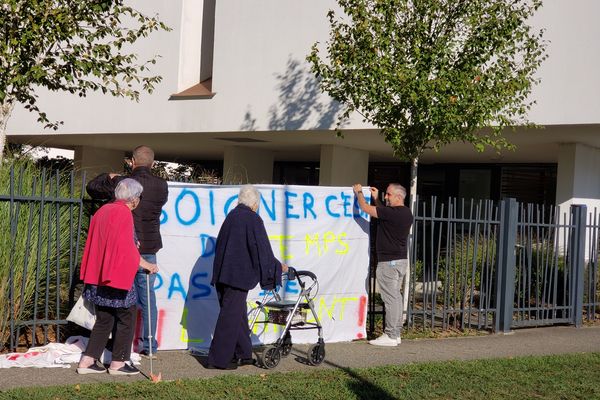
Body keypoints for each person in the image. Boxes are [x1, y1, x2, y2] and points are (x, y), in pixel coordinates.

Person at [86, 145, 168, 359]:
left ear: (132, 161)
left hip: (124, 247)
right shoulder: (161, 185)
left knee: (118, 300)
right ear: (153, 164)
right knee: (147, 299)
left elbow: (92, 188)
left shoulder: (122, 183)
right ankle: (149, 345)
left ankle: (116, 347)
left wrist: (110, 176)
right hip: (149, 247)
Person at [77, 179, 159, 375]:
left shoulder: (103, 210)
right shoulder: (123, 213)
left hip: (99, 275)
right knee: (127, 316)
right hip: (115, 276)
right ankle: (118, 362)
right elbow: (126, 248)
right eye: (139, 197)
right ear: (133, 199)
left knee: (104, 318)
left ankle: (88, 360)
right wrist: (147, 264)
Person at [207, 185, 288, 370]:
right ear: (254, 204)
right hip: (237, 276)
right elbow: (262, 250)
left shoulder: (231, 217)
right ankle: (218, 360)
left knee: (238, 315)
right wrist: (277, 267)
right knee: (230, 316)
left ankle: (243, 353)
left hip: (222, 274)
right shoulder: (253, 219)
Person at [353, 183, 413, 347]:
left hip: (388, 263)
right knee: (396, 297)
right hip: (400, 261)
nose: (386, 197)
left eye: (388, 195)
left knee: (391, 299)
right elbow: (384, 214)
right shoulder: (406, 213)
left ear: (399, 197)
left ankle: (391, 335)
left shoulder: (392, 213)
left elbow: (365, 208)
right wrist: (377, 199)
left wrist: (358, 192)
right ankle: (396, 333)